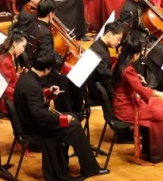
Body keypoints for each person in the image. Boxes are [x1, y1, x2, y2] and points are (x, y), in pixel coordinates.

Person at [14, 50, 108, 180]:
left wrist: (48, 92)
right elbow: (38, 113)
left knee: (73, 118)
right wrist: (61, 119)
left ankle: (88, 166)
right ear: (46, 69)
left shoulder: (27, 77)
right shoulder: (31, 85)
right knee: (74, 125)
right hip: (34, 129)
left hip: (30, 122)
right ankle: (90, 168)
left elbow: (34, 101)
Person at [111, 36, 163, 164]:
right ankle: (160, 152)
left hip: (122, 105)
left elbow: (125, 82)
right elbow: (139, 89)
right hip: (127, 109)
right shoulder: (128, 69)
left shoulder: (117, 65)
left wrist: (137, 78)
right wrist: (158, 93)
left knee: (157, 104)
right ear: (134, 55)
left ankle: (152, 149)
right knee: (161, 113)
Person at [85, 20, 125, 107]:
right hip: (97, 95)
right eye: (118, 39)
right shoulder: (100, 51)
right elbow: (105, 78)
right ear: (109, 34)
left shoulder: (98, 45)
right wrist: (117, 99)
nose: (119, 42)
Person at [0, 33, 26, 114]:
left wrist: (18, 74)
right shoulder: (6, 61)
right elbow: (4, 87)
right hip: (6, 101)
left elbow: (9, 77)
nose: (23, 50)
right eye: (23, 46)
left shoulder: (10, 56)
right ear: (15, 43)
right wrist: (20, 94)